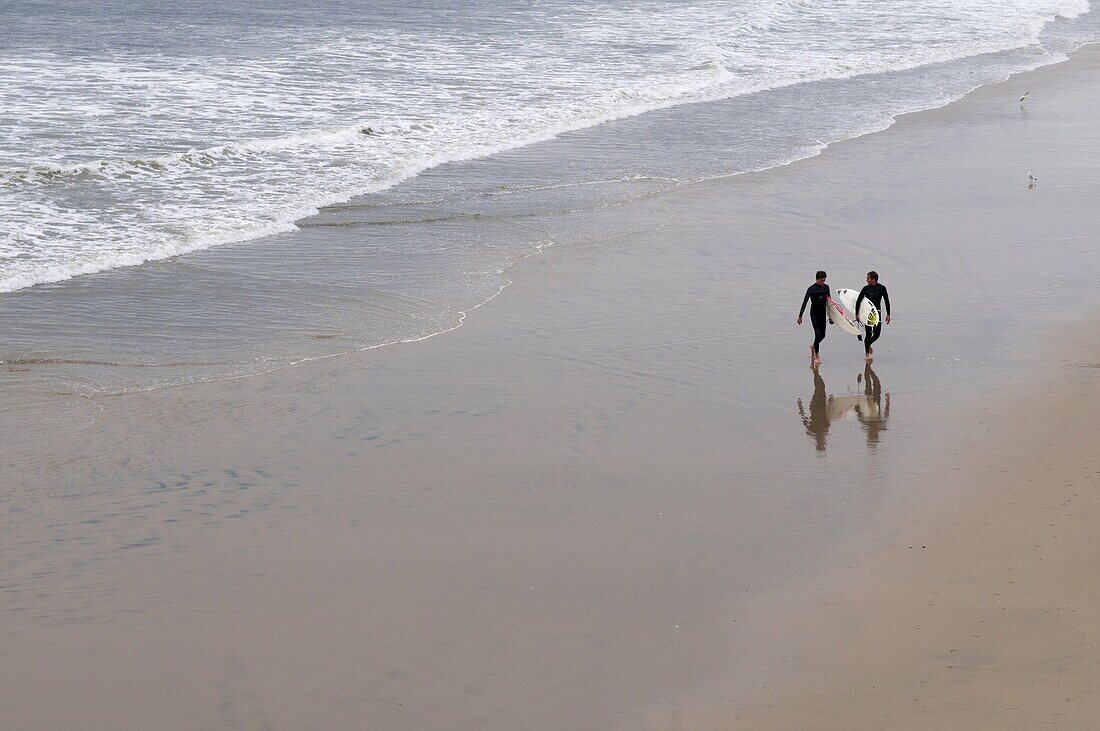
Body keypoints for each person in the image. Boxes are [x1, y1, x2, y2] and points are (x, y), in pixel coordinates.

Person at [855, 270, 891, 361]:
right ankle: (867, 354)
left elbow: (886, 300)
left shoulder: (882, 288)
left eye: (868, 278)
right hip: (867, 313)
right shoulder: (865, 289)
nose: (866, 280)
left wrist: (888, 314)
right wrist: (857, 314)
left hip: (877, 313)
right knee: (868, 333)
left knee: (877, 334)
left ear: (873, 279)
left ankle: (868, 344)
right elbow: (858, 301)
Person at [797, 270, 830, 366]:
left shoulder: (826, 287)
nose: (823, 283)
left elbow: (830, 302)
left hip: (823, 314)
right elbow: (805, 302)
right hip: (814, 314)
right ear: (817, 279)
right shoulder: (811, 289)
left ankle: (813, 346)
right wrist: (800, 316)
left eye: (824, 281)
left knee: (823, 335)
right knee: (818, 334)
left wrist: (832, 316)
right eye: (821, 281)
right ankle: (816, 356)